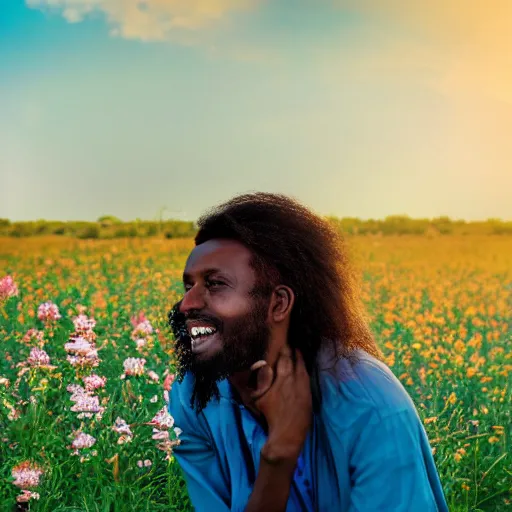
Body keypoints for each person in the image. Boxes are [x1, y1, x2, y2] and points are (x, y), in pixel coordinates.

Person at [167, 192, 449, 512]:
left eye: (215, 284)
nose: (187, 304)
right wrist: (278, 457)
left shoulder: (372, 409)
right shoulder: (193, 398)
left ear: (279, 303)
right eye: (188, 286)